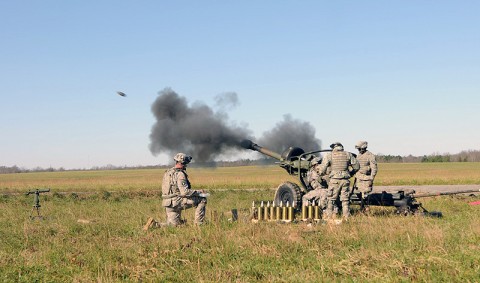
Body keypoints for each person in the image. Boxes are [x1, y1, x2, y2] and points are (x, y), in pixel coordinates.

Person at [144, 153, 207, 230]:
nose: (186, 165)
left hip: (168, 203)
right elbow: (185, 192)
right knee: (202, 199)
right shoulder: (180, 174)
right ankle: (199, 225)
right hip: (176, 202)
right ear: (183, 163)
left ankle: (154, 225)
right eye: (186, 163)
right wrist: (199, 192)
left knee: (173, 226)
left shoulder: (167, 172)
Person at [317, 142, 359, 220]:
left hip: (334, 181)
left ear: (334, 148)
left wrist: (320, 173)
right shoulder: (348, 154)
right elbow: (357, 166)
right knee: (345, 200)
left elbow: (322, 169)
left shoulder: (329, 155)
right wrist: (350, 173)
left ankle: (329, 217)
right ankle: (346, 217)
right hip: (345, 180)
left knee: (331, 199)